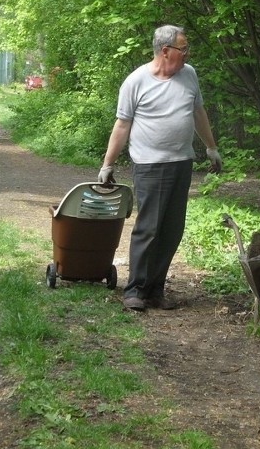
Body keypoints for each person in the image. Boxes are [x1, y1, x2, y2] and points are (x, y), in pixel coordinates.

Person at [99, 25, 222, 312]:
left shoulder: (189, 75)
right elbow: (122, 125)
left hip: (181, 163)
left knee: (171, 230)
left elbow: (198, 112)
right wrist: (108, 164)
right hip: (150, 165)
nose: (187, 54)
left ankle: (156, 290)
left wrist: (211, 147)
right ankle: (134, 290)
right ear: (165, 51)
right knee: (149, 228)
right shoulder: (136, 81)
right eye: (183, 48)